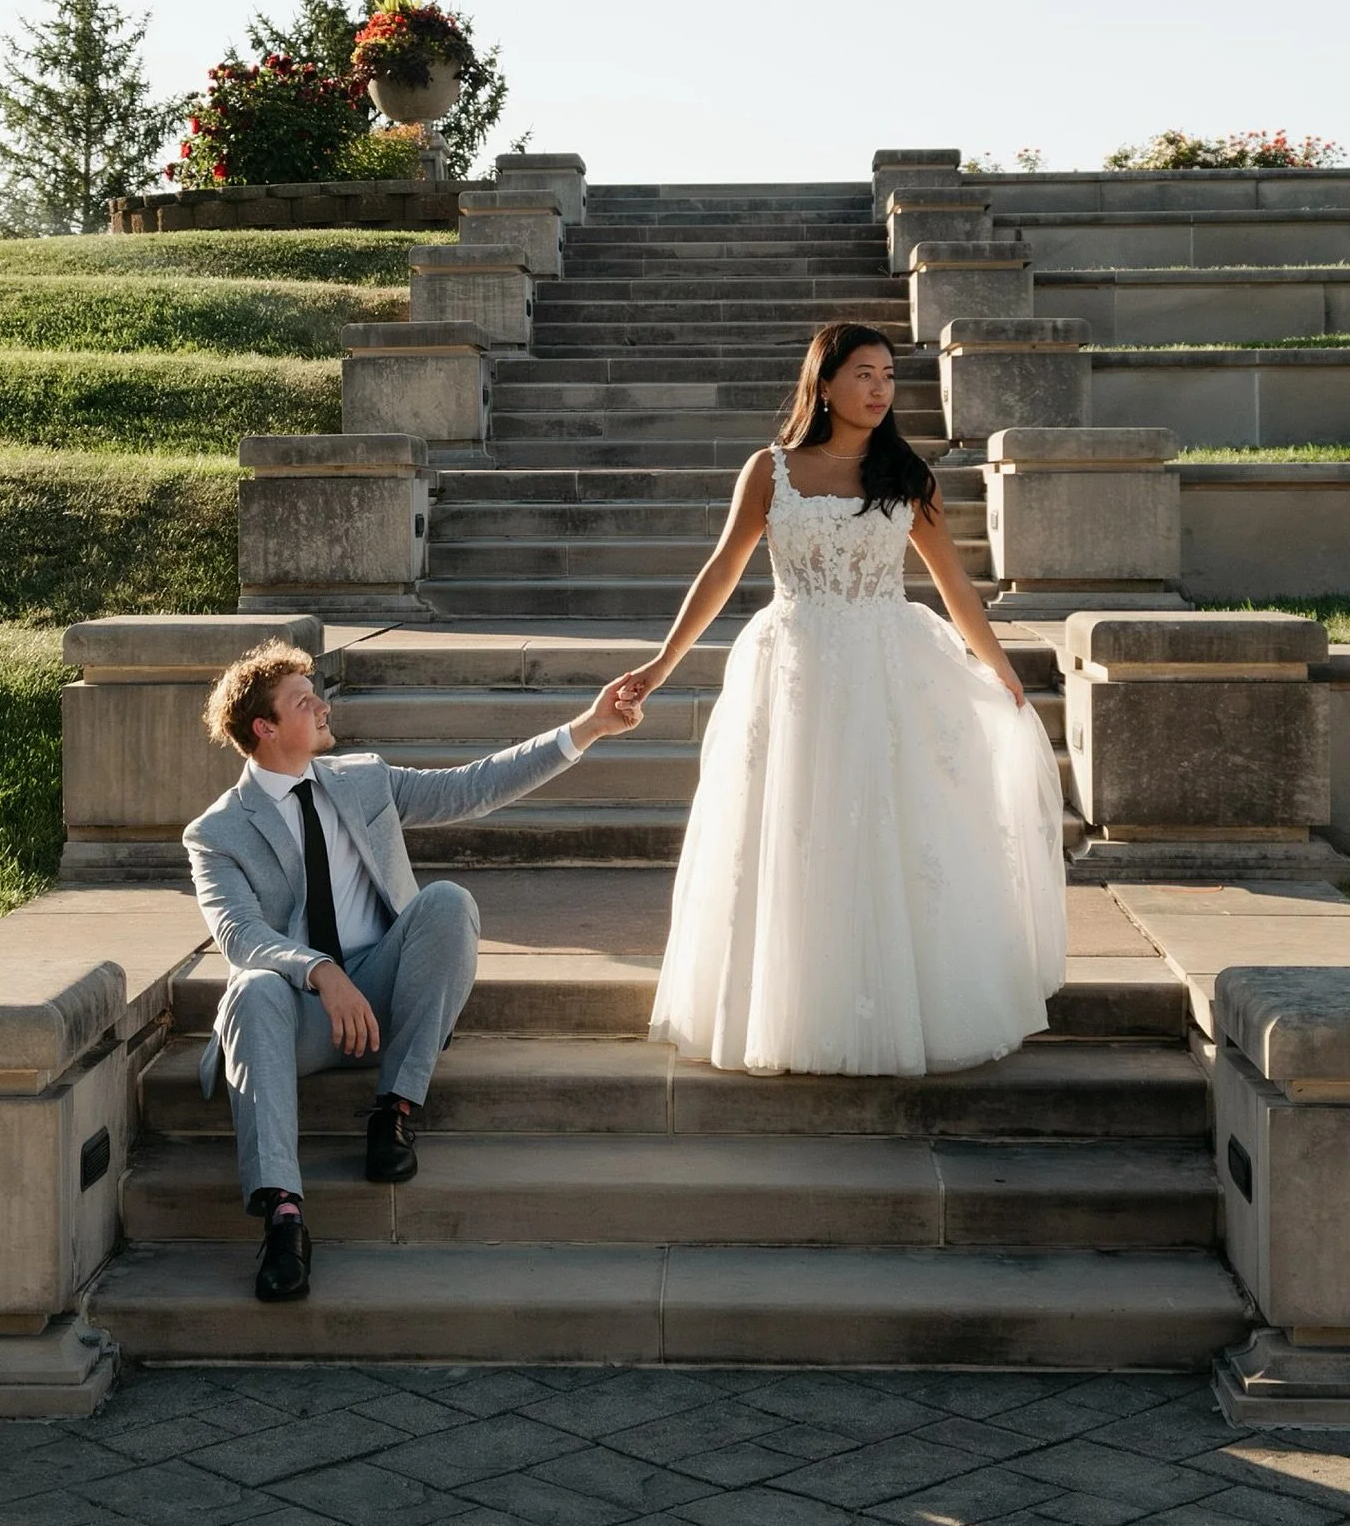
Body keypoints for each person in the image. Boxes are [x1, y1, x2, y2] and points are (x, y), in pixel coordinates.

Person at [619, 322, 1067, 1078]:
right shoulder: (771, 471)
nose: (880, 388)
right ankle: (793, 1008)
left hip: (885, 667)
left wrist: (1000, 667)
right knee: (795, 830)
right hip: (792, 667)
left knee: (892, 830)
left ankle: (903, 1005)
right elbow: (723, 568)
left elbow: (955, 586)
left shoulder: (908, 477)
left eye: (889, 375)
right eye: (864, 373)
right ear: (824, 383)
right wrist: (664, 662)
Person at [184, 637, 641, 1301]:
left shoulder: (361, 777)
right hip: (297, 1016)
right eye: (303, 701)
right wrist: (319, 973)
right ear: (266, 727)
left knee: (447, 902)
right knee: (252, 990)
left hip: (383, 991)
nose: (322, 706)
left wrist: (587, 728)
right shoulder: (217, 832)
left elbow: (471, 787)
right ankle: (284, 1216)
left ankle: (393, 1109)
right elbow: (238, 934)